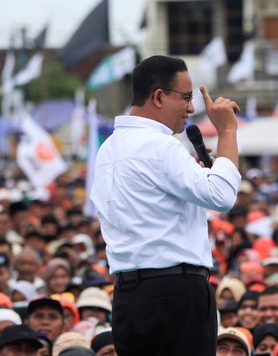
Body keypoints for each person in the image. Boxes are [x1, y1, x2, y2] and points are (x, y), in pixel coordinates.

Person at [90, 55, 241, 356]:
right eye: (185, 97)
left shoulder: (108, 149)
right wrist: (227, 132)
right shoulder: (161, 146)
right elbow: (222, 196)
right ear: (158, 96)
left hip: (128, 297)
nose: (191, 108)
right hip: (176, 294)